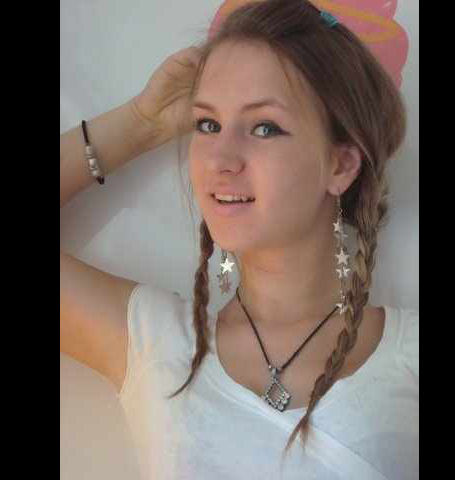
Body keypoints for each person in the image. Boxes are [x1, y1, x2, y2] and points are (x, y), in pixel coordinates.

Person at [60, 0, 418, 478]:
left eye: (264, 127)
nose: (220, 158)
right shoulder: (157, 344)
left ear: (340, 165)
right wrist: (142, 124)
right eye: (207, 124)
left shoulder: (408, 355)